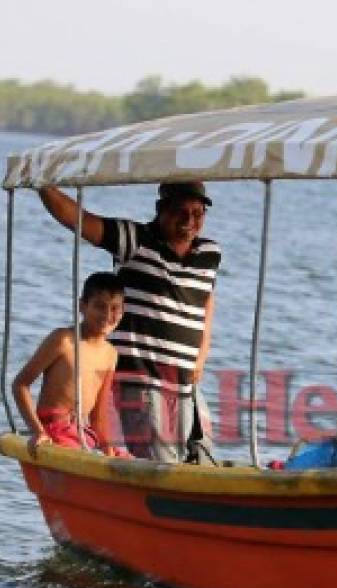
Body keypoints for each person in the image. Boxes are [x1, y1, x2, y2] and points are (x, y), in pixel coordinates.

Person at [37, 181, 221, 462]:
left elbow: (206, 298)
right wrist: (43, 184)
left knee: (204, 460)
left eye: (197, 214)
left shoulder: (209, 254)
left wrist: (202, 356)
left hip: (185, 383)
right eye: (180, 212)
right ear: (161, 210)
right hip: (141, 380)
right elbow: (79, 221)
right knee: (161, 464)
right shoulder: (134, 239)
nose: (189, 221)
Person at [12, 271, 130, 456]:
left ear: (122, 312)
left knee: (126, 460)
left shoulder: (111, 354)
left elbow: (98, 416)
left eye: (115, 308)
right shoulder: (64, 340)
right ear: (82, 306)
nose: (107, 314)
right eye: (99, 306)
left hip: (82, 433)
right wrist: (38, 431)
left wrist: (108, 450)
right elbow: (20, 384)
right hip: (55, 430)